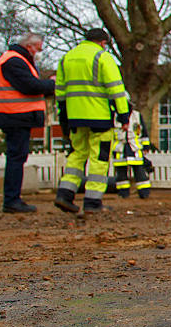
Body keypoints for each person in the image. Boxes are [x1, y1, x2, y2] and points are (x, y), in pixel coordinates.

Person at [54, 28, 130, 214]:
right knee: (99, 158)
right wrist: (124, 116)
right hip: (99, 118)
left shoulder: (66, 58)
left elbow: (60, 92)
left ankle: (64, 194)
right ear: (103, 43)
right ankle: (92, 202)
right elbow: (117, 90)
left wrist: (63, 117)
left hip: (74, 117)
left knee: (77, 154)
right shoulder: (103, 57)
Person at [0, 32, 55, 214]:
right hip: (15, 115)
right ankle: (12, 200)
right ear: (29, 46)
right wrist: (52, 84)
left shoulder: (18, 60)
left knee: (17, 157)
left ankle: (13, 199)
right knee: (16, 158)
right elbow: (30, 86)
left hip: (17, 115)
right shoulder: (14, 61)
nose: (39, 53)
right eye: (38, 49)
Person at [112, 110, 152, 199]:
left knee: (139, 171)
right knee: (121, 173)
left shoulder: (136, 115)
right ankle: (123, 193)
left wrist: (146, 146)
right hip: (120, 148)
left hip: (134, 148)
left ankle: (144, 192)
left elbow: (143, 132)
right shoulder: (114, 116)